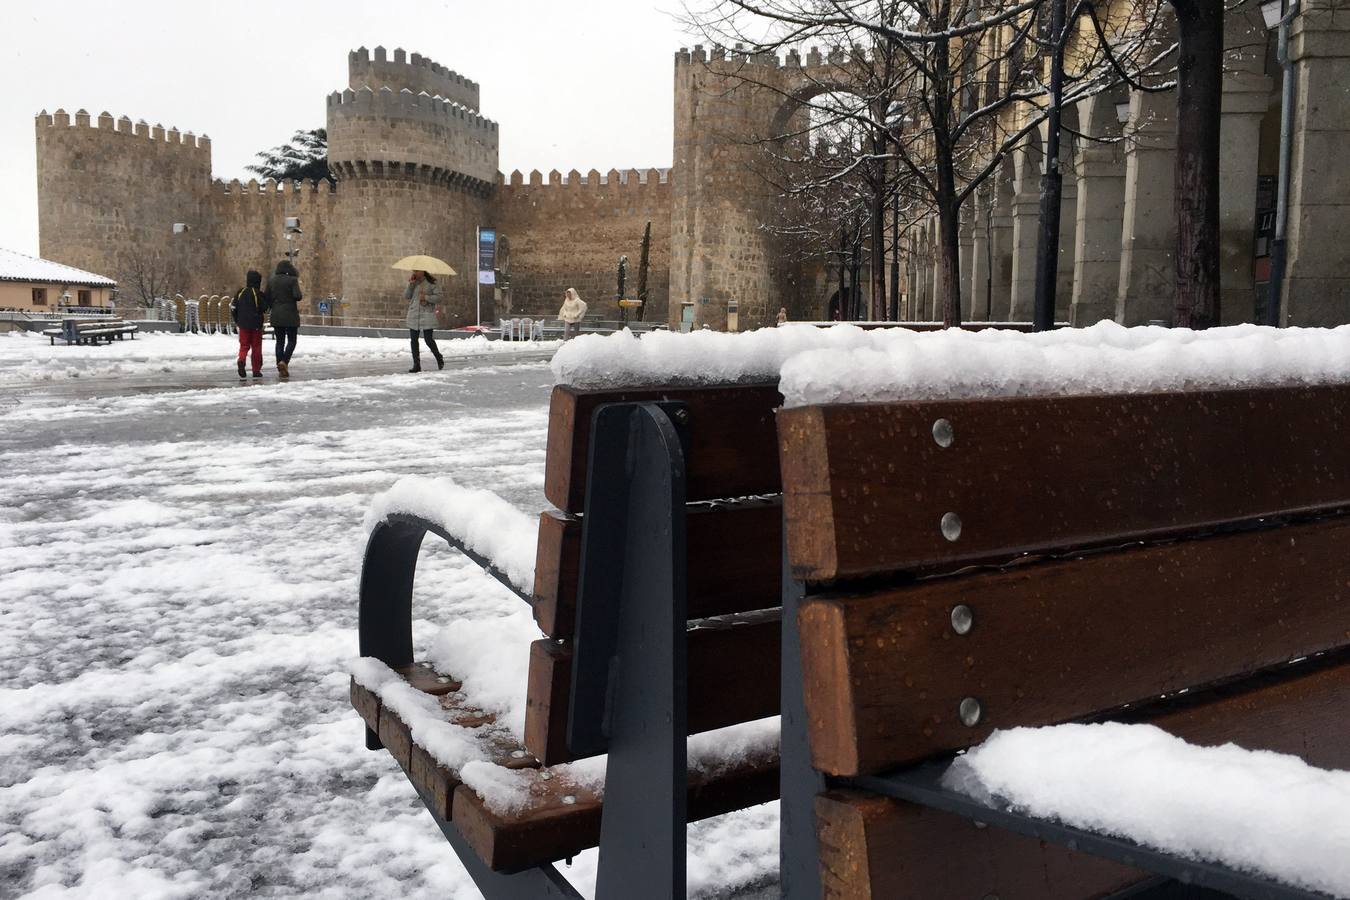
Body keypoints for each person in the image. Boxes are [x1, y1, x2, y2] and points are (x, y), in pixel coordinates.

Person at [267, 259, 303, 377]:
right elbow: (298, 296)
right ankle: (284, 361)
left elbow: (267, 296)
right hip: (290, 315)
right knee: (292, 340)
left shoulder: (271, 281)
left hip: (276, 315)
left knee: (279, 341)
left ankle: (280, 365)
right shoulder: (292, 280)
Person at [230, 270, 268, 378]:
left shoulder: (240, 292)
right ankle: (256, 370)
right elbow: (264, 308)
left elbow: (233, 307)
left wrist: (237, 320)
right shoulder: (257, 293)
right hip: (256, 325)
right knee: (256, 347)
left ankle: (241, 360)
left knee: (244, 345)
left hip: (243, 325)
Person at [405, 270, 444, 372]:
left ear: (423, 271)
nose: (415, 273)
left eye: (417, 271)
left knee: (428, 340)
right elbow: (407, 296)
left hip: (427, 314)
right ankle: (416, 365)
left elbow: (439, 297)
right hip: (414, 314)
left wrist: (426, 297)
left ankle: (438, 357)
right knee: (414, 340)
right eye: (414, 271)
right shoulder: (414, 283)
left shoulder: (432, 283)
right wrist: (411, 285)